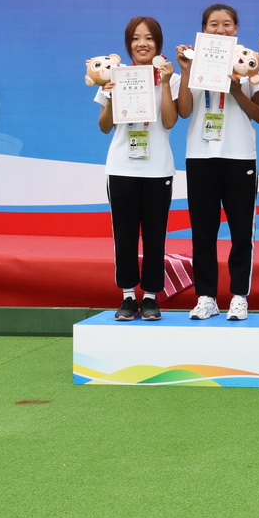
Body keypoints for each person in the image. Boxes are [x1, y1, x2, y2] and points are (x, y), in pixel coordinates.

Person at [174, 4, 259, 322]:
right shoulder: (193, 62)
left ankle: (239, 296)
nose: (220, 30)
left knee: (241, 231)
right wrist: (186, 70)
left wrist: (237, 91)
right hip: (201, 155)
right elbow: (184, 111)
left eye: (227, 24)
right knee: (203, 231)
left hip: (240, 155)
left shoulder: (249, 62)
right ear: (204, 29)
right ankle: (206, 297)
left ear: (236, 28)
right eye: (213, 24)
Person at [98, 16, 178, 321]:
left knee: (156, 235)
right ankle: (128, 296)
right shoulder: (115, 76)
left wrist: (166, 82)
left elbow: (169, 121)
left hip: (158, 169)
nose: (142, 44)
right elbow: (104, 126)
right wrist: (110, 96)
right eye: (135, 38)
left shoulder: (170, 77)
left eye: (148, 38)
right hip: (122, 167)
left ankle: (152, 297)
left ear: (158, 43)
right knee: (125, 235)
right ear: (128, 44)